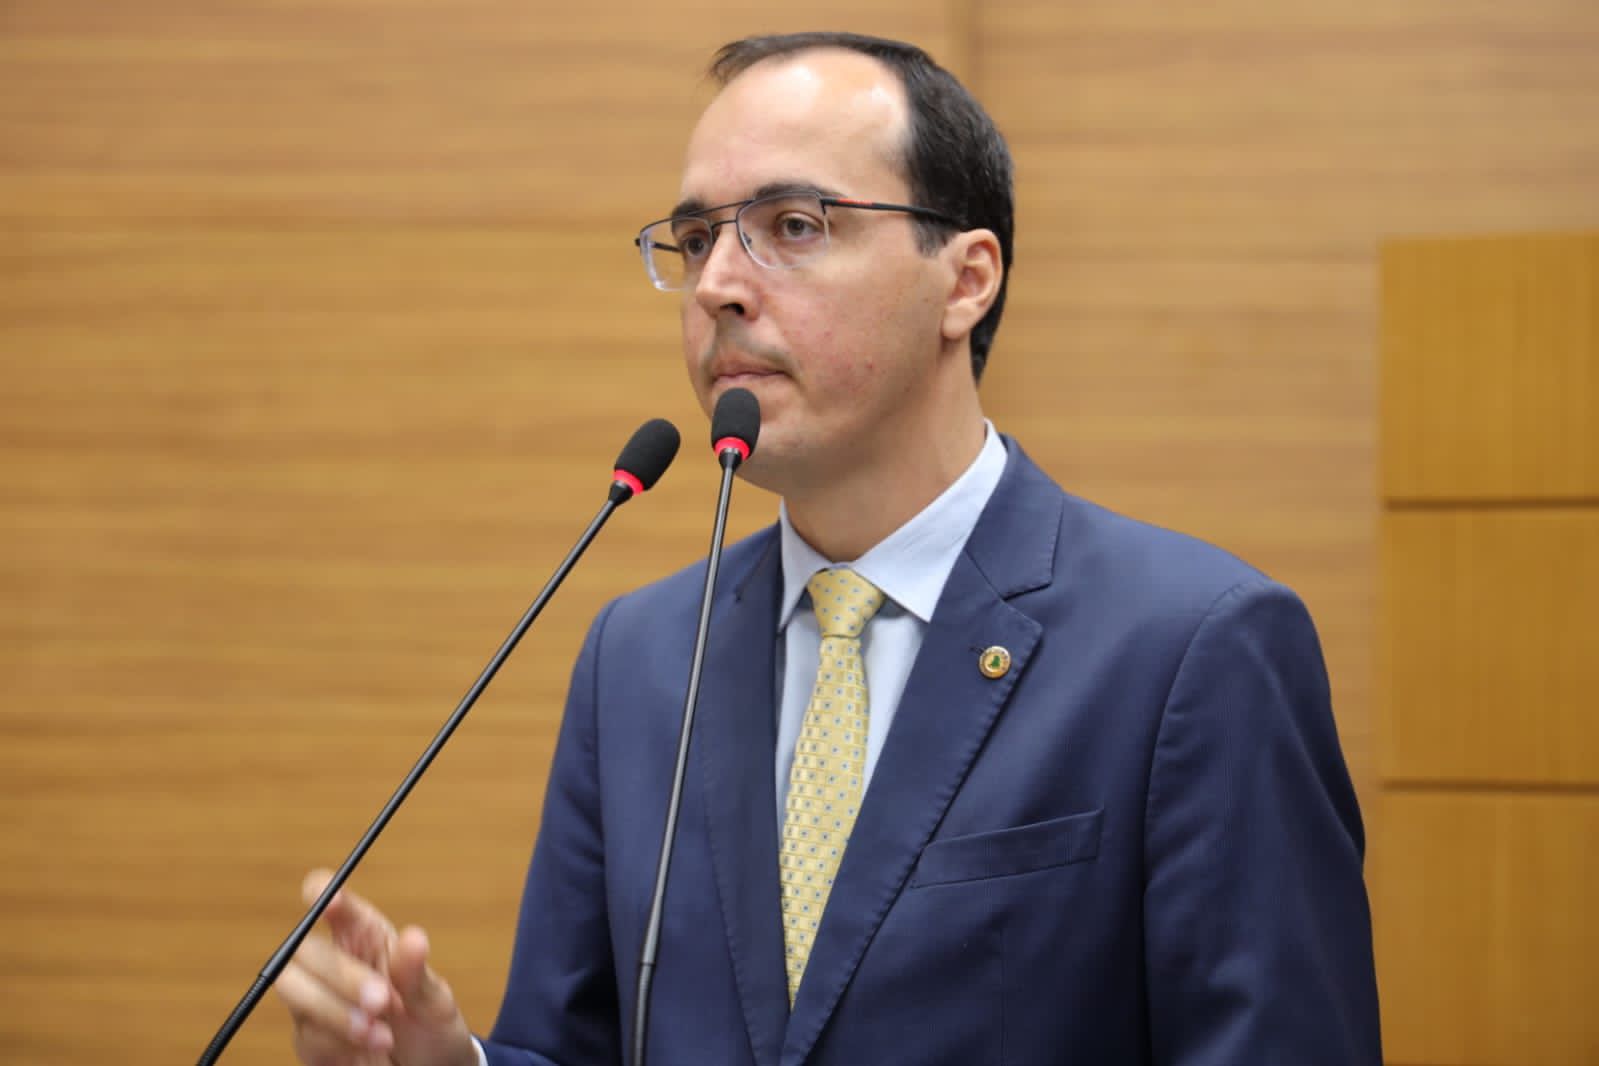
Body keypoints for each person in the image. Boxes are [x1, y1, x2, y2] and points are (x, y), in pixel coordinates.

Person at [276, 32, 1382, 1065]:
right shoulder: (642, 656)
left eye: (794, 226)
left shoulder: (1192, 650)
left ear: (966, 280)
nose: (718, 284)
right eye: (698, 239)